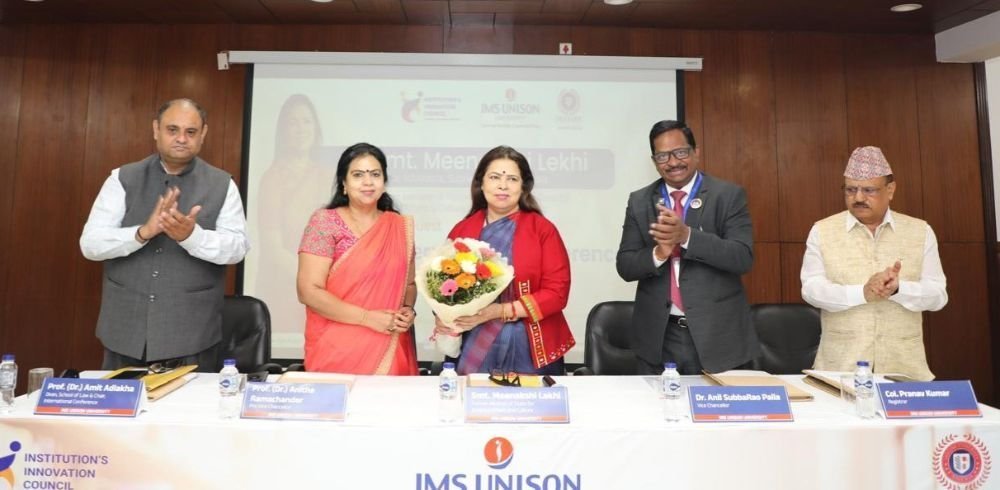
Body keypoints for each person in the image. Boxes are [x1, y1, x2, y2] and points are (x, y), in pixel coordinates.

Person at [80, 98, 250, 372]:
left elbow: (237, 248)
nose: (181, 139)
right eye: (173, 130)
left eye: (191, 132)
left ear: (203, 134)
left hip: (192, 335)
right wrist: (142, 233)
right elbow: (90, 245)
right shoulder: (122, 178)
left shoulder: (223, 184)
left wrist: (191, 236)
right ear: (156, 130)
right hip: (125, 331)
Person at [616, 120, 757, 375]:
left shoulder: (727, 195)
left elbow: (742, 257)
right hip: (658, 336)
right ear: (654, 161)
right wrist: (659, 253)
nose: (673, 162)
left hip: (716, 335)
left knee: (718, 402)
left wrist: (687, 236)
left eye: (680, 152)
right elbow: (625, 266)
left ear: (696, 152)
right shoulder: (640, 201)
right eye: (662, 156)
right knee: (655, 401)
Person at [801, 146, 947, 380]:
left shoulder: (920, 231)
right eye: (851, 190)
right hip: (840, 371)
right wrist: (862, 293)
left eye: (869, 190)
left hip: (904, 370)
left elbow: (938, 296)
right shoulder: (822, 231)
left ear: (890, 190)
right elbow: (811, 291)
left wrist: (898, 289)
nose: (858, 198)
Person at [433, 145, 574, 375]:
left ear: (524, 186)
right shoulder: (463, 230)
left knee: (534, 400)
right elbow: (442, 287)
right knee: (473, 398)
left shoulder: (542, 230)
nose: (503, 185)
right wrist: (443, 316)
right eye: (495, 177)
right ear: (481, 183)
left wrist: (500, 311)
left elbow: (557, 294)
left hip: (530, 344)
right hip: (473, 342)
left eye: (512, 179)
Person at [297, 142, 418, 375]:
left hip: (390, 346)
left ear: (384, 181)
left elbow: (409, 285)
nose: (368, 182)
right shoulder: (325, 222)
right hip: (336, 349)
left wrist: (408, 310)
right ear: (344, 183)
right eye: (358, 175)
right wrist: (367, 318)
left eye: (375, 174)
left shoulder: (399, 226)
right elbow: (308, 291)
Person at [255, 94, 333, 338]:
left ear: (316, 128)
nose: (301, 129)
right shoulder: (272, 179)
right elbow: (273, 250)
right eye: (293, 122)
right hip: (286, 290)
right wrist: (315, 279)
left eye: (307, 121)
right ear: (283, 131)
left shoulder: (327, 175)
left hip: (328, 292)